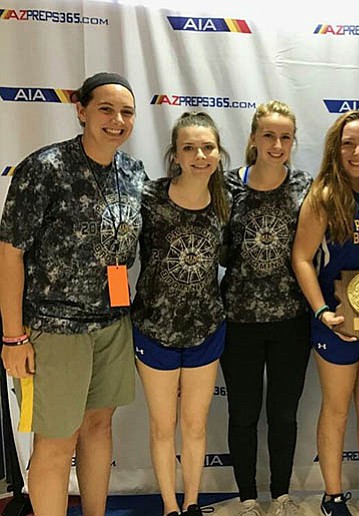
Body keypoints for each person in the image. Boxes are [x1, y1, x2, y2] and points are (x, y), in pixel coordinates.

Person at [0, 72, 145, 516]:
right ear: (81, 110)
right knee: (56, 440)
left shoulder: (132, 172)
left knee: (99, 428)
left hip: (111, 324)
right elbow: (9, 255)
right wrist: (12, 337)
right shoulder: (44, 169)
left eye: (126, 112)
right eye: (105, 109)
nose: (117, 120)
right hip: (53, 330)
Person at [292, 110, 359, 516]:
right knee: (336, 408)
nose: (357, 151)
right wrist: (321, 312)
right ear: (336, 147)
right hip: (336, 319)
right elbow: (300, 257)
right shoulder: (322, 196)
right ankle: (333, 495)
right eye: (349, 143)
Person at [131, 111, 229, 516]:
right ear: (175, 154)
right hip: (154, 330)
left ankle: (191, 505)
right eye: (189, 148)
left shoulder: (225, 202)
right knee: (161, 426)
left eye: (207, 147)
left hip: (206, 328)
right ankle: (169, 507)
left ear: (219, 153)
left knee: (195, 425)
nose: (200, 155)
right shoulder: (150, 198)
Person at [220, 100, 312, 516]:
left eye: (285, 137)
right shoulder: (224, 186)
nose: (277, 144)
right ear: (254, 137)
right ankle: (247, 498)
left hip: (292, 321)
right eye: (269, 135)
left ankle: (280, 495)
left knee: (283, 414)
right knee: (242, 413)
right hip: (238, 320)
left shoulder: (305, 186)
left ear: (293, 141)